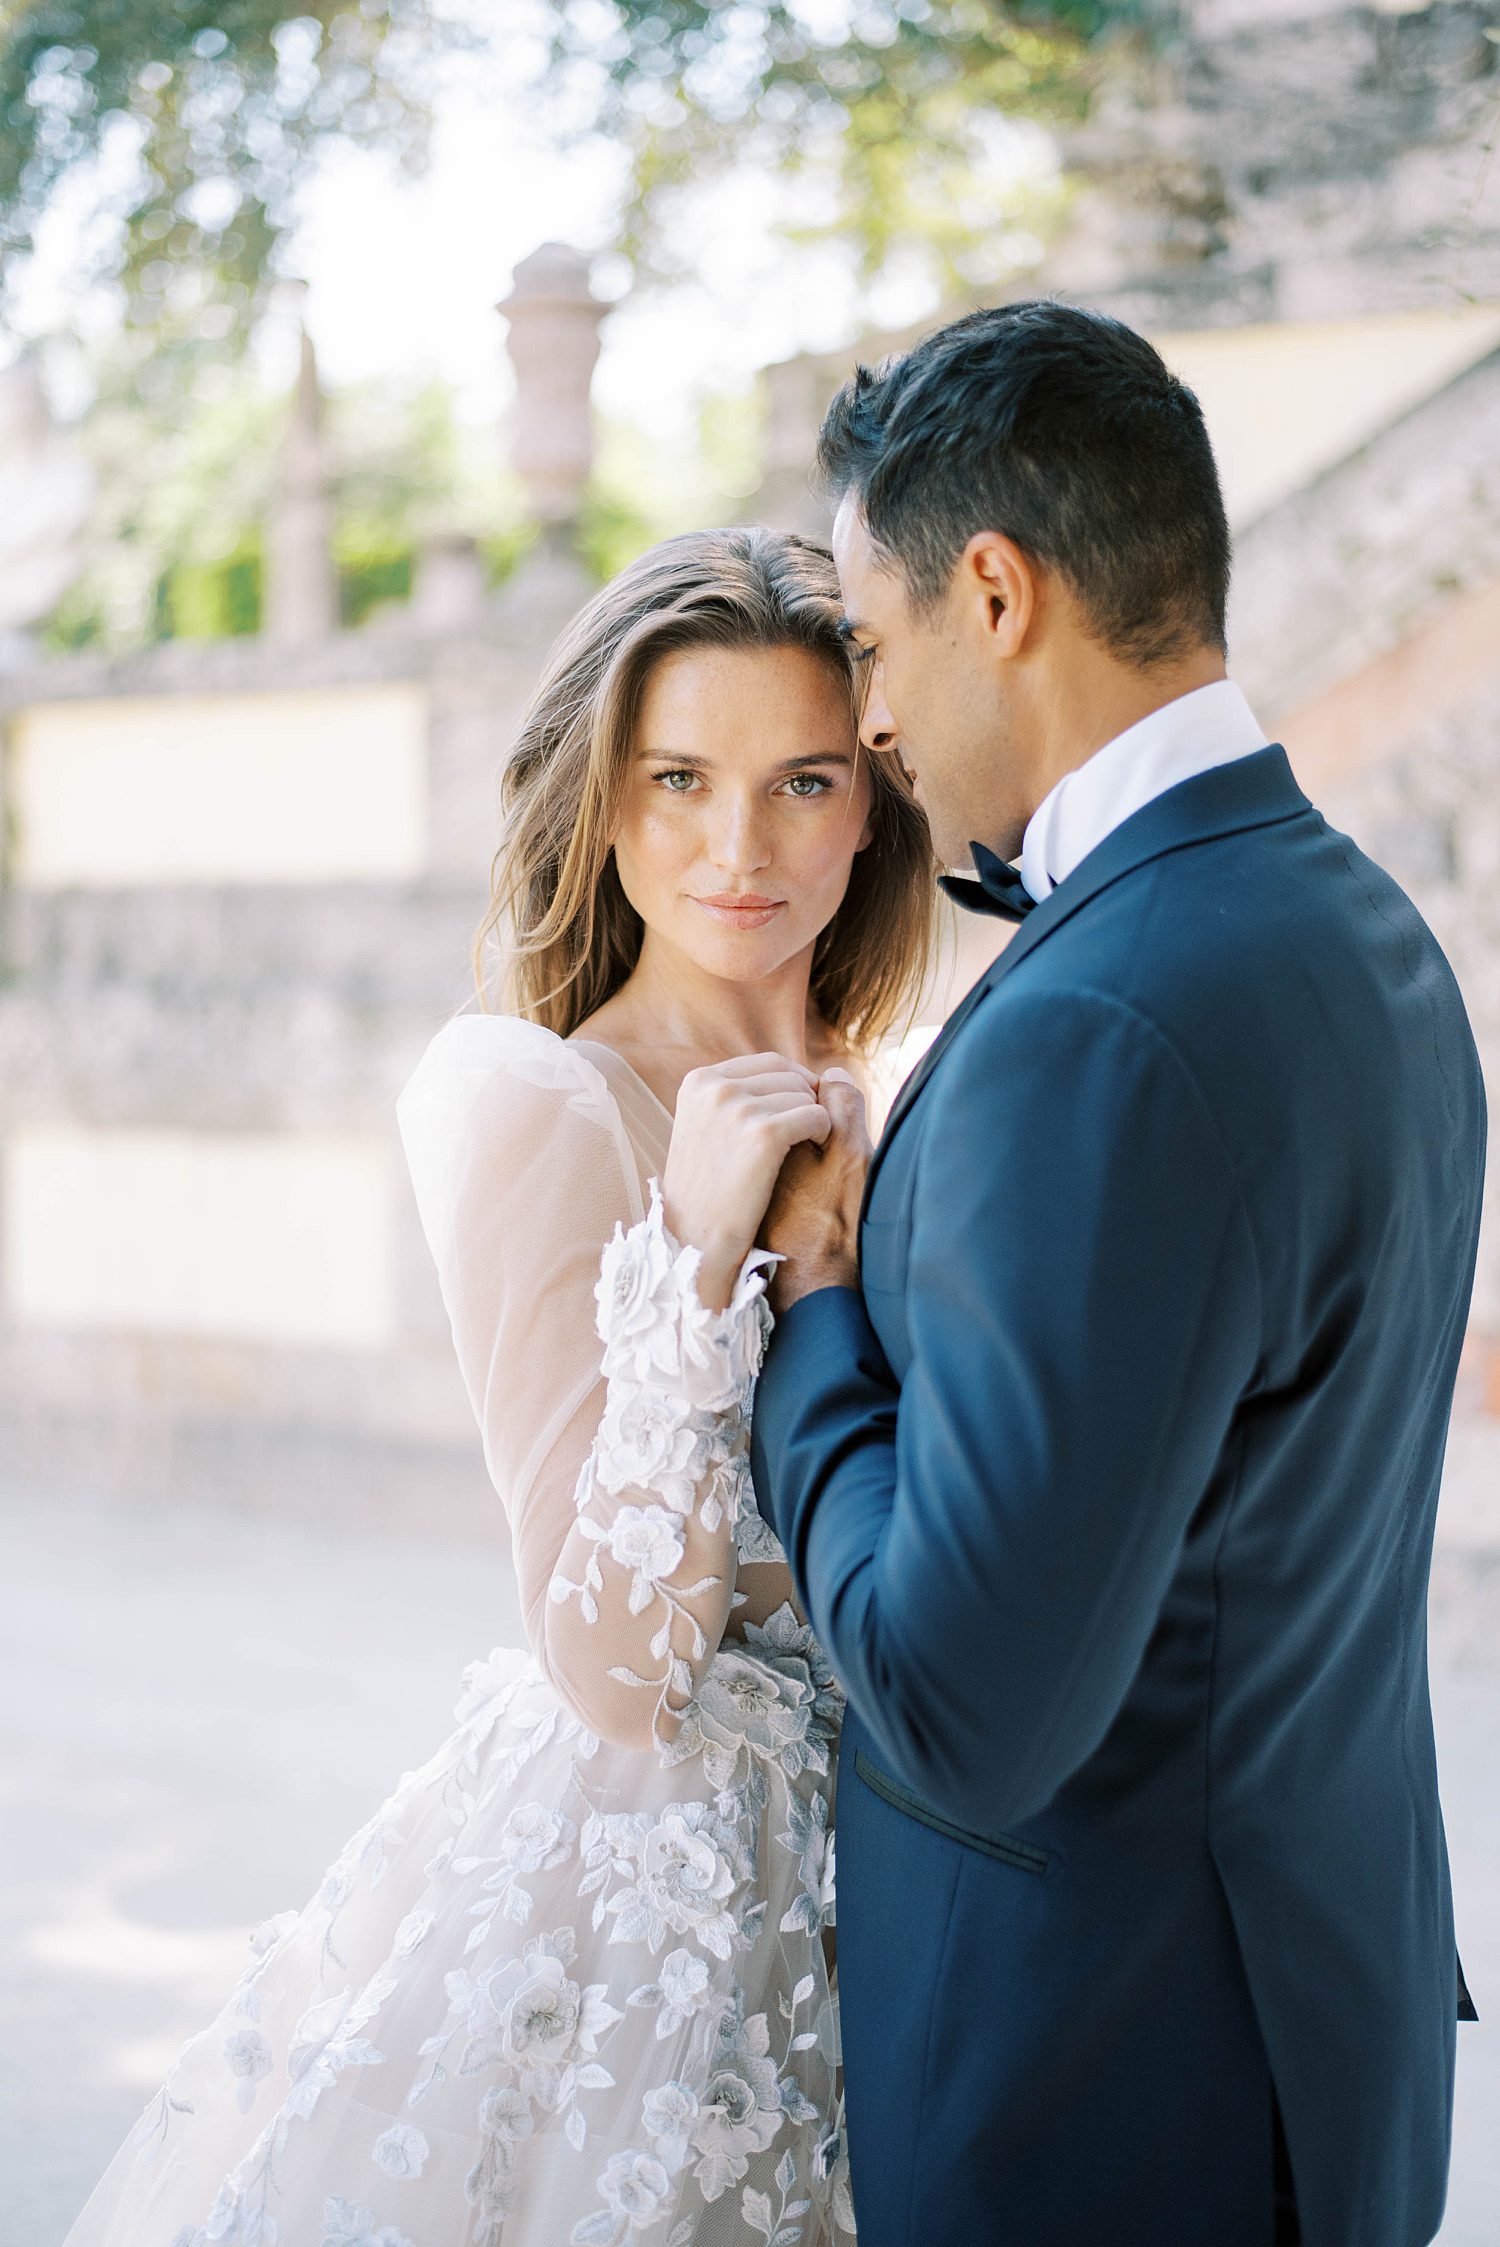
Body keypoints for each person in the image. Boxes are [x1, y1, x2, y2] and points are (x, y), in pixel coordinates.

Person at [60, 527, 933, 2247]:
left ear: (873, 804)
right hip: (651, 1927)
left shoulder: (909, 1082)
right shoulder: (543, 1105)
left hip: (906, 1886)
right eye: (678, 779)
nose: (737, 847)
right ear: (606, 802)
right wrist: (692, 1249)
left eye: (801, 782)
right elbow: (611, 1664)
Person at [748, 301, 1485, 2247]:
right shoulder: (1367, 933)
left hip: (1099, 2088)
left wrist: (816, 1303)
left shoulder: (1106, 1017)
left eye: (878, 638)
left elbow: (961, 1696)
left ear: (996, 591)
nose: (873, 717)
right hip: (1316, 2034)